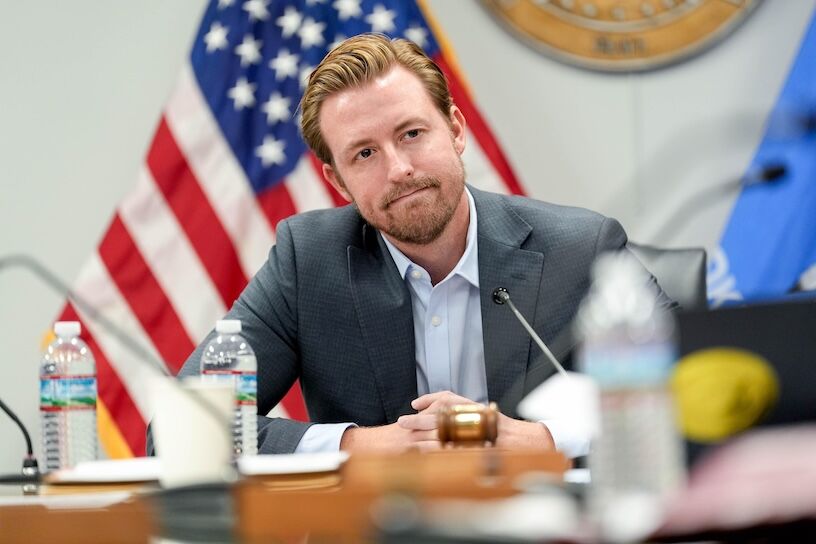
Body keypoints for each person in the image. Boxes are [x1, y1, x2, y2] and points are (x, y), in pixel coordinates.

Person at [173, 33, 672, 457]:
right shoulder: (308, 260)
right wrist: (364, 445)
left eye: (411, 133)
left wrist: (540, 439)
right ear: (337, 180)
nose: (398, 169)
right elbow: (183, 430)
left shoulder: (579, 249)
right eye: (364, 153)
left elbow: (693, 392)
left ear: (455, 130)